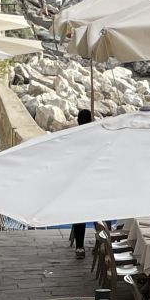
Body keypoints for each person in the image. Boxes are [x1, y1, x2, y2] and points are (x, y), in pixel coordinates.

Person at [69, 109, 94, 259]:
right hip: (93, 180)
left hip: (77, 181)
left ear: (78, 121)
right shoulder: (95, 137)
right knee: (101, 212)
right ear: (91, 120)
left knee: (79, 215)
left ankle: (80, 247)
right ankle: (102, 242)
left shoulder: (74, 137)